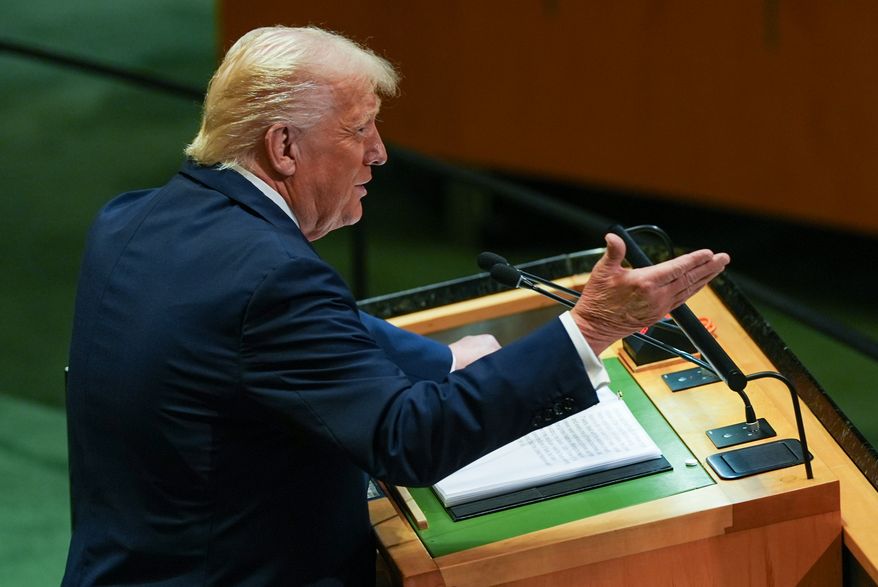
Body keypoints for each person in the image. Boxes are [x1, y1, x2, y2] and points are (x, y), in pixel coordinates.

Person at [62, 26, 729, 586]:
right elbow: (408, 439)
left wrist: (442, 357)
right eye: (361, 129)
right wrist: (590, 327)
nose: (379, 153)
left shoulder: (130, 222)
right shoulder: (273, 279)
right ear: (283, 147)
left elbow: (270, 328)